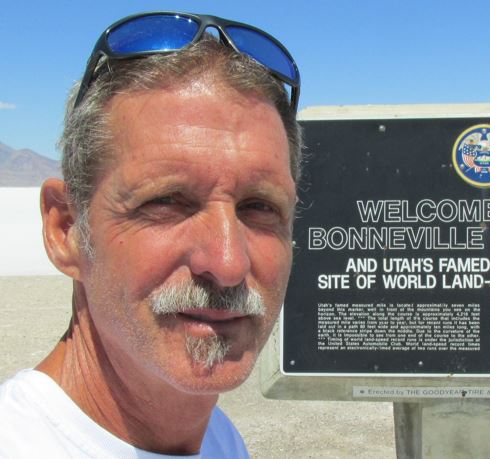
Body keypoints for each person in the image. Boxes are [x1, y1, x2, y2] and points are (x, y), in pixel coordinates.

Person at [0, 11, 302, 458]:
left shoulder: (220, 440)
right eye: (167, 202)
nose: (228, 264)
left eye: (259, 207)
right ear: (67, 230)